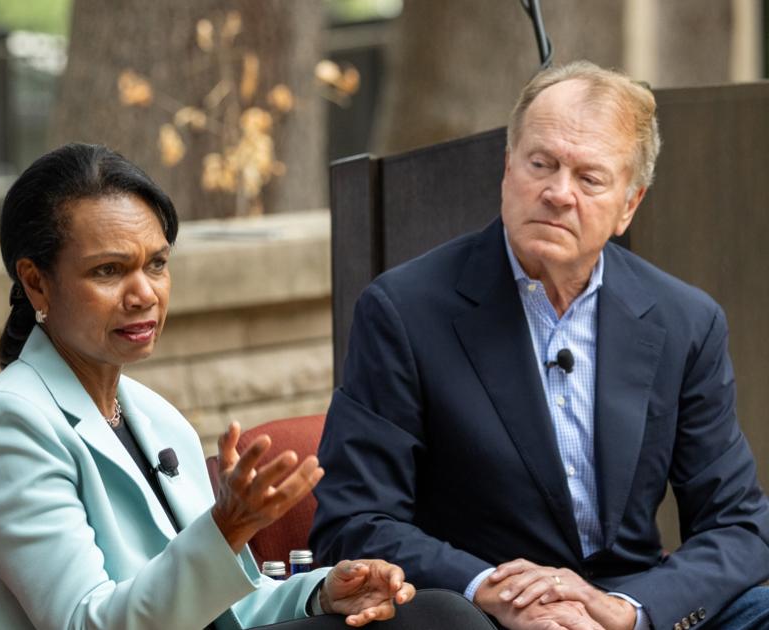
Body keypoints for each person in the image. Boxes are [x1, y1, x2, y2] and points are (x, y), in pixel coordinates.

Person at [309, 60, 769, 630]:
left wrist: (630, 611)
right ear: (507, 170)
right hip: (481, 613)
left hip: (624, 612)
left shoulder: (686, 321)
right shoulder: (403, 311)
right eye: (541, 164)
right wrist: (490, 590)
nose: (558, 193)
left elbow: (739, 526)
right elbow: (354, 519)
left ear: (629, 204)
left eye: (590, 178)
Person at [0, 143, 419, 630]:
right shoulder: (7, 424)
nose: (144, 293)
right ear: (36, 282)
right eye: (109, 270)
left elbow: (225, 608)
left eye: (157, 264)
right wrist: (225, 529)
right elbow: (87, 624)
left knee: (422, 613)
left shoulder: (153, 414)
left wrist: (321, 593)